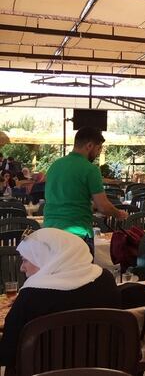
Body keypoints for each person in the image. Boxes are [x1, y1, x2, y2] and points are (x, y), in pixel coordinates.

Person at [0, 228, 120, 372]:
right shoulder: (105, 279)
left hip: (43, 371)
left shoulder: (31, 295)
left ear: (45, 257)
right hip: (102, 369)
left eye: (25, 260)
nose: (21, 268)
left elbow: (8, 352)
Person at [44, 127, 128, 252]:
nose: (99, 153)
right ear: (89, 146)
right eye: (98, 148)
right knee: (82, 272)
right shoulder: (90, 169)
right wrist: (119, 214)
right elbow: (103, 207)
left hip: (49, 233)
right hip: (77, 234)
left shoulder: (55, 166)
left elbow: (63, 197)